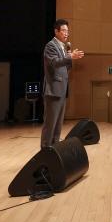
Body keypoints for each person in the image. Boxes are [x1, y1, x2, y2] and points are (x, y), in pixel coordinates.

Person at [41, 19, 85, 148]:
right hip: (53, 90)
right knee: (50, 124)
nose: (66, 33)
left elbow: (65, 68)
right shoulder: (50, 45)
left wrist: (69, 56)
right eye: (64, 30)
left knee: (58, 124)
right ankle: (45, 151)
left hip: (61, 90)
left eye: (67, 31)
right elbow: (54, 63)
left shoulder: (63, 47)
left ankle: (54, 150)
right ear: (56, 31)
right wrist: (70, 57)